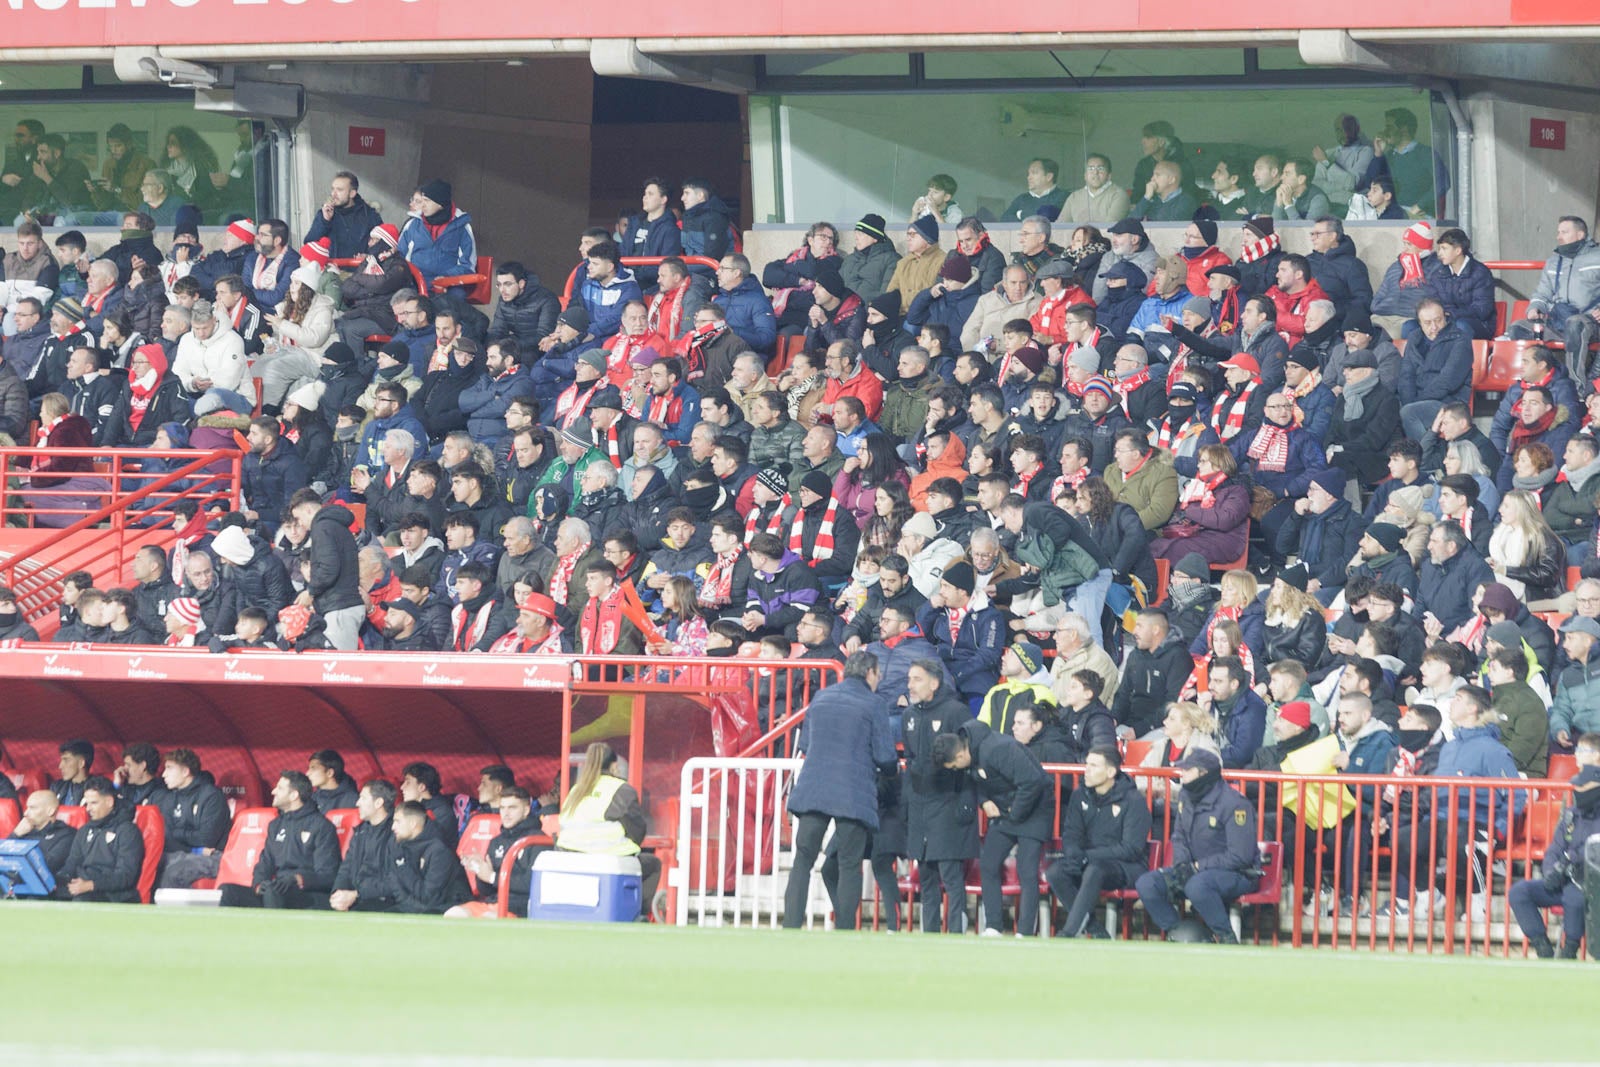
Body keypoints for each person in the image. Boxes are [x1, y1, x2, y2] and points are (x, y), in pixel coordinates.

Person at [782, 652, 896, 930]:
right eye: (878, 674)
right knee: (848, 864)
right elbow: (885, 756)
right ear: (869, 672)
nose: (878, 679)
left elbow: (806, 744)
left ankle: (791, 926)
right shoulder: (874, 704)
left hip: (814, 787)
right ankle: (845, 929)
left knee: (802, 861)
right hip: (853, 792)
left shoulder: (821, 697)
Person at [936, 718, 1050, 937]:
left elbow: (1033, 782)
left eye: (953, 766)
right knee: (988, 864)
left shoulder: (999, 749)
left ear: (960, 756)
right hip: (1006, 812)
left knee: (1027, 871)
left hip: (1035, 809)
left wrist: (1014, 814)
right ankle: (993, 927)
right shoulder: (972, 755)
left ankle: (1025, 932)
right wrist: (984, 800)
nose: (955, 770)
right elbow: (976, 781)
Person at [1134, 748, 1257, 943]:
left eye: (1187, 770)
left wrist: (1199, 867)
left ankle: (1226, 936)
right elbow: (1179, 836)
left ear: (1203, 773)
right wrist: (1183, 864)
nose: (1181, 774)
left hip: (1238, 874)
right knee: (1147, 884)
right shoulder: (1186, 796)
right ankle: (1181, 932)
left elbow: (1241, 856)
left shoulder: (1235, 804)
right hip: (1194, 871)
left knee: (1198, 886)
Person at [901, 658, 978, 933]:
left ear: (934, 683)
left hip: (949, 802)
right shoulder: (909, 715)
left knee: (951, 875)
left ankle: (955, 931)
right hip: (920, 805)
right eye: (909, 679)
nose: (910, 685)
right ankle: (929, 933)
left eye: (917, 679)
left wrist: (967, 801)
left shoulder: (956, 712)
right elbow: (910, 759)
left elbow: (972, 753)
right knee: (926, 875)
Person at [1044, 746, 1152, 938]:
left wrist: (1087, 857)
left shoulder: (1133, 800)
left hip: (1127, 866)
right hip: (1088, 860)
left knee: (1095, 870)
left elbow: (1131, 849)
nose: (1087, 770)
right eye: (1087, 764)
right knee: (1055, 872)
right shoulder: (1080, 795)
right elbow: (1071, 832)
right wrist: (1074, 854)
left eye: (1094, 766)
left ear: (1110, 772)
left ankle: (1069, 932)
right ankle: (1095, 929)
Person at [1508, 737, 1600, 958]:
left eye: (1585, 785)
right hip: (1566, 878)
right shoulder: (1571, 813)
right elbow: (1555, 848)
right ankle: (1543, 948)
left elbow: (1592, 848)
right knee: (1520, 891)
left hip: (1590, 882)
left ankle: (1569, 950)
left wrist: (1568, 865)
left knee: (1574, 895)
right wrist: (1552, 872)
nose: (1579, 789)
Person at [555, 742, 661, 919]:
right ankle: (637, 915)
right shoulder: (621, 789)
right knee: (653, 864)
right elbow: (637, 831)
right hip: (606, 858)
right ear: (614, 766)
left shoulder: (575, 791)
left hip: (567, 856)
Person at [219, 770, 341, 909]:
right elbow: (265, 862)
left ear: (294, 795)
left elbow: (328, 875)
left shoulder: (321, 826)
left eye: (280, 788)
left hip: (307, 894)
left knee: (274, 892)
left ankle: (274, 930)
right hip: (276, 890)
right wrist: (259, 885)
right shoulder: (275, 824)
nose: (273, 792)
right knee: (227, 891)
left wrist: (298, 879)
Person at [59, 776, 144, 903]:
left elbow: (126, 876)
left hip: (115, 896)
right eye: (86, 803)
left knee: (81, 901)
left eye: (94, 803)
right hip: (83, 889)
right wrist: (57, 881)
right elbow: (71, 865)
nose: (88, 809)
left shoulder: (128, 831)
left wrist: (91, 885)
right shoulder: (84, 830)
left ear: (109, 802)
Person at [386, 800, 475, 915]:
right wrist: (408, 904)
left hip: (447, 909)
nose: (393, 827)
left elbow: (428, 895)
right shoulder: (397, 845)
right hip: (413, 906)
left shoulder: (439, 851)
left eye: (398, 822)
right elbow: (393, 882)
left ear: (413, 823)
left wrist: (403, 866)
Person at [329, 779, 398, 914]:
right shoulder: (361, 831)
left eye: (363, 798)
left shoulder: (397, 833)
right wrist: (338, 892)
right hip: (357, 898)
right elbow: (346, 866)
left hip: (384, 901)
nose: (357, 803)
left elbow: (396, 880)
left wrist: (357, 894)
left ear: (379, 803)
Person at [6, 790, 75, 886]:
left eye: (33, 808)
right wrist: (15, 834)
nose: (26, 813)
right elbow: (3, 858)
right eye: (27, 808)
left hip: (45, 890)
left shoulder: (67, 835)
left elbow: (47, 867)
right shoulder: (23, 832)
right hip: (14, 883)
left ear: (50, 811)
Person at [1062, 154, 1131, 225]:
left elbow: (1109, 227)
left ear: (1109, 176)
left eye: (1100, 168)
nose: (1095, 172)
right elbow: (1060, 226)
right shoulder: (1074, 197)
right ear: (1085, 175)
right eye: (1091, 169)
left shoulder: (1118, 195)